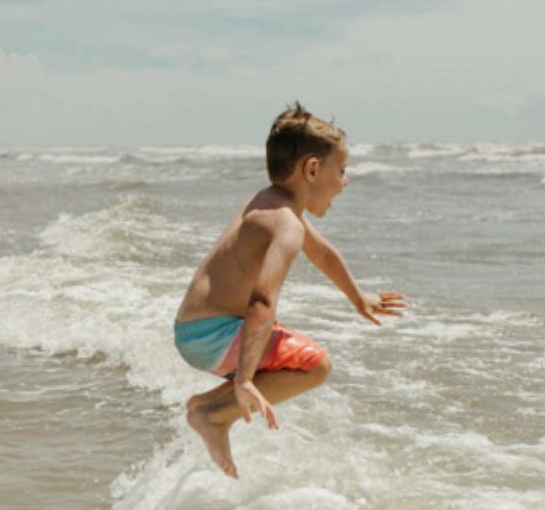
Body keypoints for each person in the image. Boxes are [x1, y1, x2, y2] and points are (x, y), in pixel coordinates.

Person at [173, 102, 406, 478]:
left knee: (290, 352)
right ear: (312, 169)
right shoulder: (286, 223)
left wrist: (358, 298)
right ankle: (213, 415)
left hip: (192, 331)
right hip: (217, 336)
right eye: (341, 170)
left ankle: (206, 407)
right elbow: (262, 301)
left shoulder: (268, 202)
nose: (345, 181)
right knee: (315, 365)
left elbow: (323, 254)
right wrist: (245, 380)